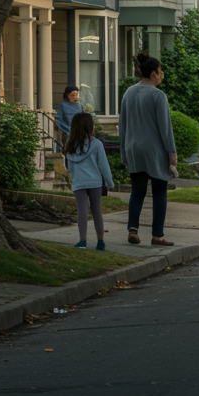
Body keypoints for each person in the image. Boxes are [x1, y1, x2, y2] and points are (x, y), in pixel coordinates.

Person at [119, 53, 177, 246]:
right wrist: (172, 156)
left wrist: (124, 154)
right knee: (160, 192)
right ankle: (157, 235)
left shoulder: (128, 92)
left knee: (137, 191)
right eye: (160, 72)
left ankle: (132, 229)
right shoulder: (158, 95)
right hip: (154, 151)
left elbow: (123, 125)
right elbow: (165, 128)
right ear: (153, 74)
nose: (162, 76)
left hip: (133, 149)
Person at [63, 111, 113, 250]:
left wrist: (75, 175)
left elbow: (68, 165)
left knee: (82, 211)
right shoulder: (96, 144)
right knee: (96, 210)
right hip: (95, 182)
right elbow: (104, 165)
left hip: (79, 183)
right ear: (89, 126)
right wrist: (109, 183)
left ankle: (82, 241)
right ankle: (100, 241)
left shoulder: (70, 146)